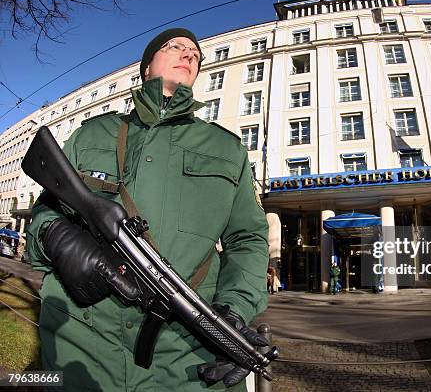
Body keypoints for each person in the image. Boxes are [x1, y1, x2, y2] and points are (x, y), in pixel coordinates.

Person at [26, 28, 270, 391]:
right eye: (175, 47)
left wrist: (233, 311)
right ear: (145, 68)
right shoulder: (93, 134)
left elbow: (248, 239)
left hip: (183, 351)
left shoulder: (226, 148)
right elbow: (47, 210)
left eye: (195, 54)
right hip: (79, 335)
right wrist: (56, 236)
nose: (189, 55)